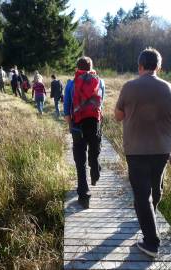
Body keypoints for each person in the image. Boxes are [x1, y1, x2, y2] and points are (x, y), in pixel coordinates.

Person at [115, 47, 171, 258]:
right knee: (156, 188)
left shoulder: (128, 87)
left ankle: (151, 243)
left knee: (142, 195)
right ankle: (149, 219)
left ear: (140, 66)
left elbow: (118, 116)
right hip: (162, 150)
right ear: (159, 67)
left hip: (135, 150)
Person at [63, 56, 105, 209]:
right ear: (91, 67)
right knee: (94, 152)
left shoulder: (71, 84)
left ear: (77, 68)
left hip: (77, 126)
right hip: (94, 123)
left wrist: (71, 127)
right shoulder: (100, 82)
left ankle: (84, 195)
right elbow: (101, 104)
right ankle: (95, 171)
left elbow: (67, 110)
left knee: (80, 161)